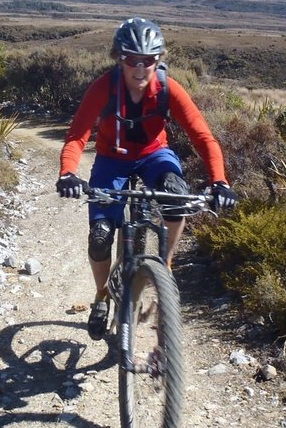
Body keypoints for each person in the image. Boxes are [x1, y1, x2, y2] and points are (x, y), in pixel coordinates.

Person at [56, 17, 238, 340]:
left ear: (159, 60)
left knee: (176, 195)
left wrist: (219, 181)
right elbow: (77, 136)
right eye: (131, 60)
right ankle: (102, 295)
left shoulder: (168, 89)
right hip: (112, 160)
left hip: (155, 155)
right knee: (100, 235)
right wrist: (69, 173)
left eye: (148, 61)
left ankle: (164, 266)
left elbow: (203, 137)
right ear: (119, 58)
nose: (140, 69)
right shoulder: (104, 87)